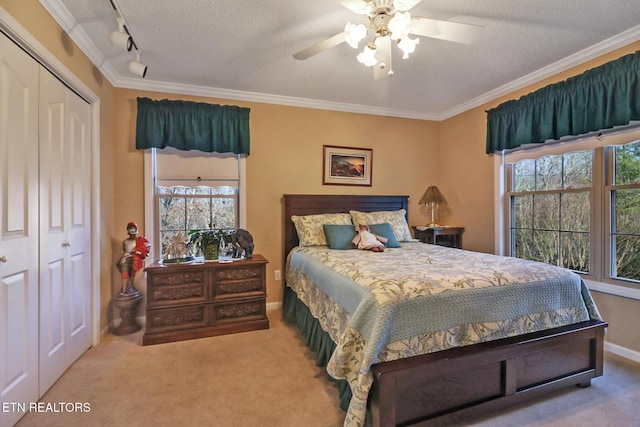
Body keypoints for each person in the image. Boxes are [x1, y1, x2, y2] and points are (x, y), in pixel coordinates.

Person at [116, 222, 150, 295]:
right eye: (130, 229)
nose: (132, 232)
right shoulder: (125, 241)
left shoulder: (139, 240)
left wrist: (136, 251)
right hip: (125, 258)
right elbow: (123, 251)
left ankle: (131, 286)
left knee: (132, 273)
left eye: (133, 230)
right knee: (124, 273)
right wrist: (121, 258)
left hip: (135, 259)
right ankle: (124, 290)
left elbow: (145, 247)